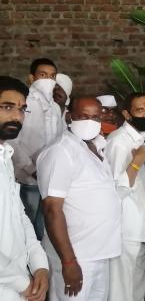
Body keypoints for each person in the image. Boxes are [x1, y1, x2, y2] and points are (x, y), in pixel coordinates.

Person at [37, 96, 122, 301]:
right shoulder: (61, 151)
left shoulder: (91, 147)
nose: (90, 122)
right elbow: (52, 211)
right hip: (76, 255)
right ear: (69, 117)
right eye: (83, 116)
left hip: (98, 253)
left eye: (95, 117)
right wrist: (68, 262)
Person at [0, 76, 49, 301]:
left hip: (18, 282)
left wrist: (39, 264)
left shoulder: (5, 156)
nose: (17, 116)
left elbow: (19, 216)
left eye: (21, 109)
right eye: (8, 107)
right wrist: (21, 282)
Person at [105, 93, 145, 301]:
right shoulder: (118, 142)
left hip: (139, 223)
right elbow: (116, 189)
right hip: (124, 225)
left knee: (136, 284)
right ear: (127, 114)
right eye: (139, 110)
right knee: (121, 289)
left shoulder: (143, 137)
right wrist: (136, 162)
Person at [9, 58, 62, 240]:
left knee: (45, 225)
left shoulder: (55, 107)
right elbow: (13, 141)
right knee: (27, 224)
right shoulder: (24, 104)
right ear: (31, 78)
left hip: (49, 177)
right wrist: (32, 170)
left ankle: (40, 264)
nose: (48, 79)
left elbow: (58, 139)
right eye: (43, 75)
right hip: (27, 178)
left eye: (52, 76)